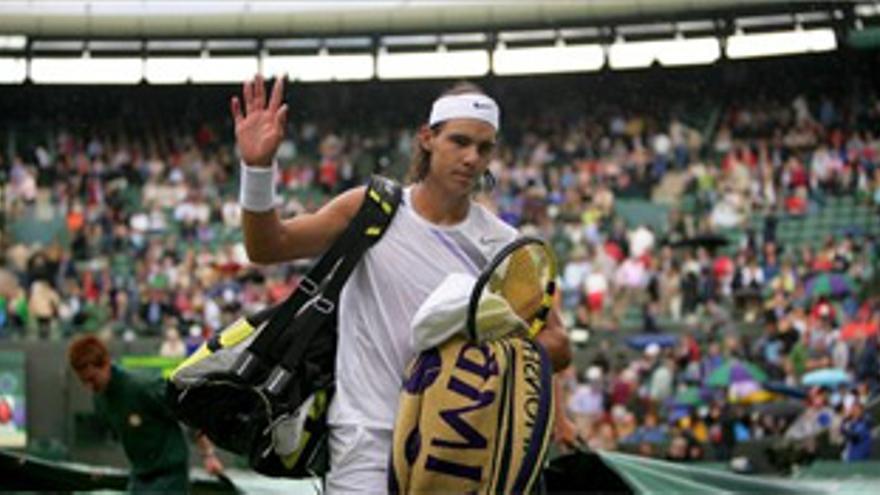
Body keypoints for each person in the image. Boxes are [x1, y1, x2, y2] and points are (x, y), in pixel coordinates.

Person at [231, 74, 572, 492]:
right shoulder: (372, 209)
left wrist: (480, 351)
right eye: (460, 141)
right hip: (364, 439)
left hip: (459, 449)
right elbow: (267, 246)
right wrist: (257, 168)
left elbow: (556, 344)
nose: (471, 158)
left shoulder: (504, 245)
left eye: (484, 148)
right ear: (427, 138)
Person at [67, 335, 223, 493]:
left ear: (106, 363)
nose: (88, 386)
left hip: (169, 475)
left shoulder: (142, 387)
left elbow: (187, 412)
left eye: (92, 379)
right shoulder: (100, 398)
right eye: (83, 381)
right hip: (140, 475)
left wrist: (208, 455)